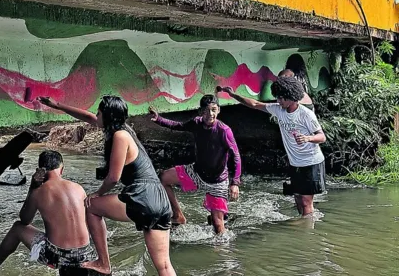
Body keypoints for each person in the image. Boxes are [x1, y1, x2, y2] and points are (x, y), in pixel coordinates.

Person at [38, 95, 175, 276]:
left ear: (107, 116)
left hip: (143, 196)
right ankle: (103, 263)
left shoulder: (120, 136)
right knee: (164, 266)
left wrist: (97, 192)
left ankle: (104, 263)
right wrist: (57, 105)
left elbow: (113, 177)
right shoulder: (123, 129)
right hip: (160, 200)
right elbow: (88, 118)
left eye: (99, 112)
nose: (96, 115)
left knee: (91, 207)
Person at [219, 76, 326, 217]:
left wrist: (308, 138)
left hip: (311, 162)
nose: (278, 101)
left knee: (306, 202)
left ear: (292, 97)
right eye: (277, 97)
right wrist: (233, 95)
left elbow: (322, 137)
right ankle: (305, 227)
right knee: (298, 200)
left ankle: (308, 233)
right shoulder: (278, 110)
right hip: (295, 163)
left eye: (281, 98)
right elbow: (255, 104)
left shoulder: (306, 115)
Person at [0, 150, 95, 274]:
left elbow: (25, 219)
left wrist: (32, 187)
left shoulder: (39, 191)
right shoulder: (78, 188)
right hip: (86, 253)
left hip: (58, 257)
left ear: (40, 171)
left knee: (17, 227)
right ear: (62, 169)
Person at [148, 94, 241, 234]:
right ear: (200, 112)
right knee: (163, 178)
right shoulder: (196, 123)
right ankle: (178, 216)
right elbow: (178, 126)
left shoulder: (224, 131)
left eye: (214, 110)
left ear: (219, 110)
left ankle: (224, 253)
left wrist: (235, 183)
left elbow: (236, 157)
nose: (211, 114)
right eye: (207, 110)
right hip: (196, 172)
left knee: (218, 226)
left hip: (217, 181)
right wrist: (159, 119)